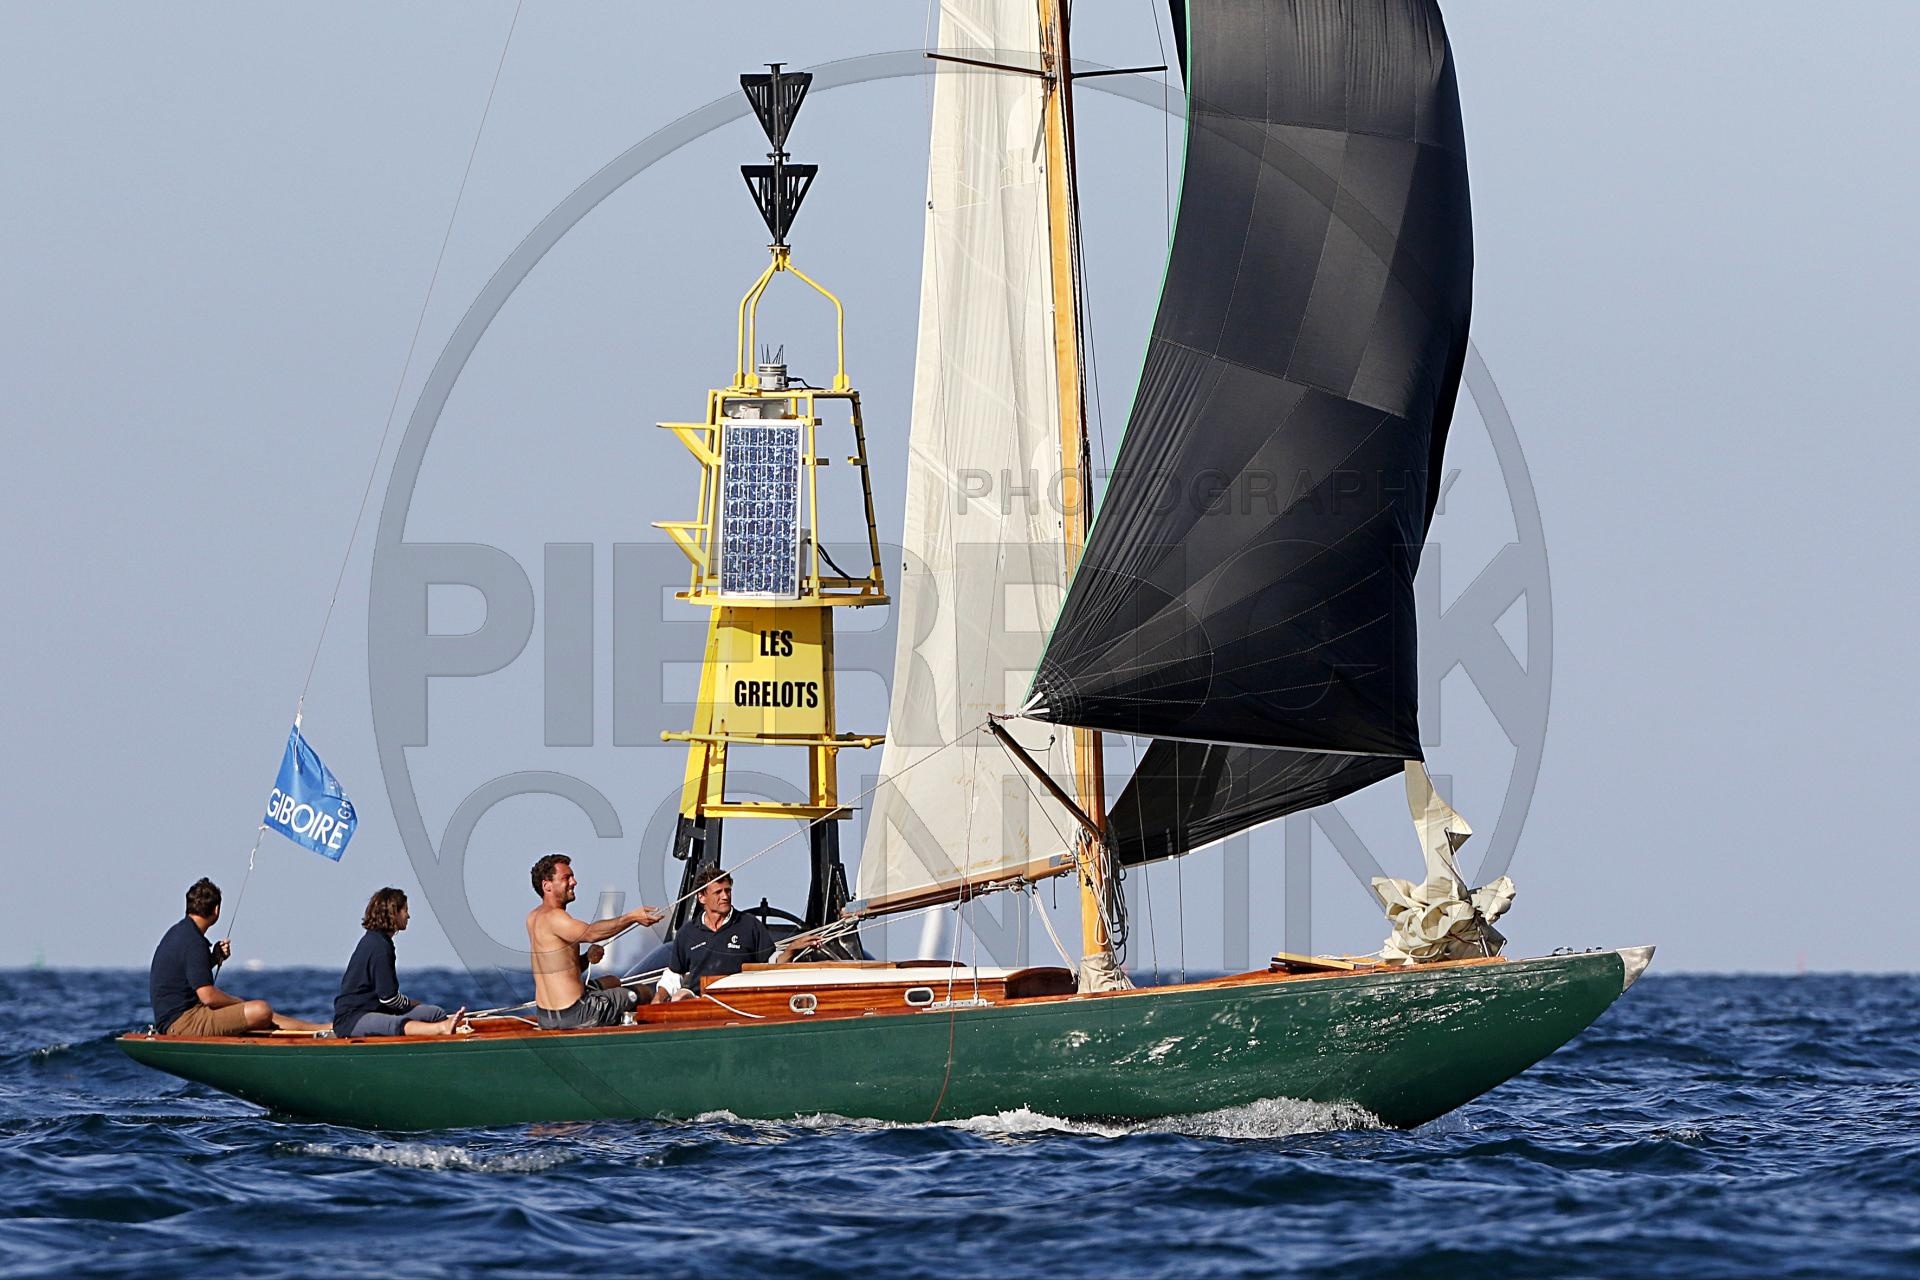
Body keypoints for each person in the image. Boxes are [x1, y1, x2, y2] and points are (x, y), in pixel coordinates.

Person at [148, 878, 327, 1036]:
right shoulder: (194, 941)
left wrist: (213, 959)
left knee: (258, 1011)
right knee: (260, 1010)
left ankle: (316, 1029)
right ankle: (317, 1029)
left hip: (175, 1020)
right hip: (183, 1023)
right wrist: (238, 1003)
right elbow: (208, 996)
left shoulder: (180, 932)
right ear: (216, 910)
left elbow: (185, 976)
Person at [525, 853, 664, 1030]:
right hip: (577, 1013)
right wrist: (632, 917)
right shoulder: (556, 918)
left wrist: (586, 958)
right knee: (643, 992)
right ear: (547, 885)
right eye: (566, 878)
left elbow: (560, 968)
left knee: (612, 981)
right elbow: (591, 933)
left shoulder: (533, 918)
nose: (574, 882)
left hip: (546, 1017)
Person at [334, 888, 466, 1037]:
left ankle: (441, 1037)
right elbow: (388, 997)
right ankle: (441, 1029)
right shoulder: (378, 946)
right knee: (396, 1024)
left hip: (377, 1010)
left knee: (434, 1013)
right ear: (393, 913)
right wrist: (410, 1004)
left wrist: (412, 1005)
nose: (408, 916)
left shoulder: (382, 942)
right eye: (405, 910)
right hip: (354, 1018)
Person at [654, 867, 776, 1002]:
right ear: (702, 897)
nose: (725, 896)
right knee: (680, 997)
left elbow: (772, 963)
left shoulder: (750, 925)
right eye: (718, 892)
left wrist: (791, 950)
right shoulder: (687, 932)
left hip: (741, 1001)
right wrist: (658, 999)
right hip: (699, 1002)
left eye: (727, 891)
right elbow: (674, 975)